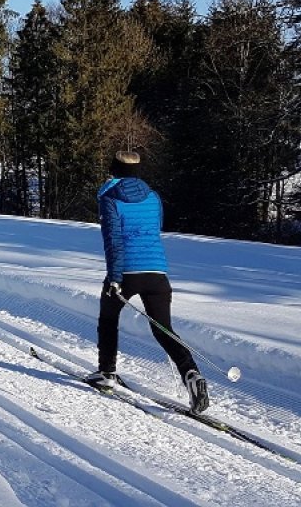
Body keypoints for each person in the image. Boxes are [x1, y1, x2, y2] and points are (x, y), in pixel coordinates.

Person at [86, 150, 209, 413]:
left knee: (108, 319)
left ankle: (106, 371)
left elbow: (113, 241)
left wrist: (115, 278)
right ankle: (192, 375)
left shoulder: (109, 198)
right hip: (157, 272)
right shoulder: (153, 197)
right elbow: (156, 228)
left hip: (126, 271)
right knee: (163, 329)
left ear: (114, 169)